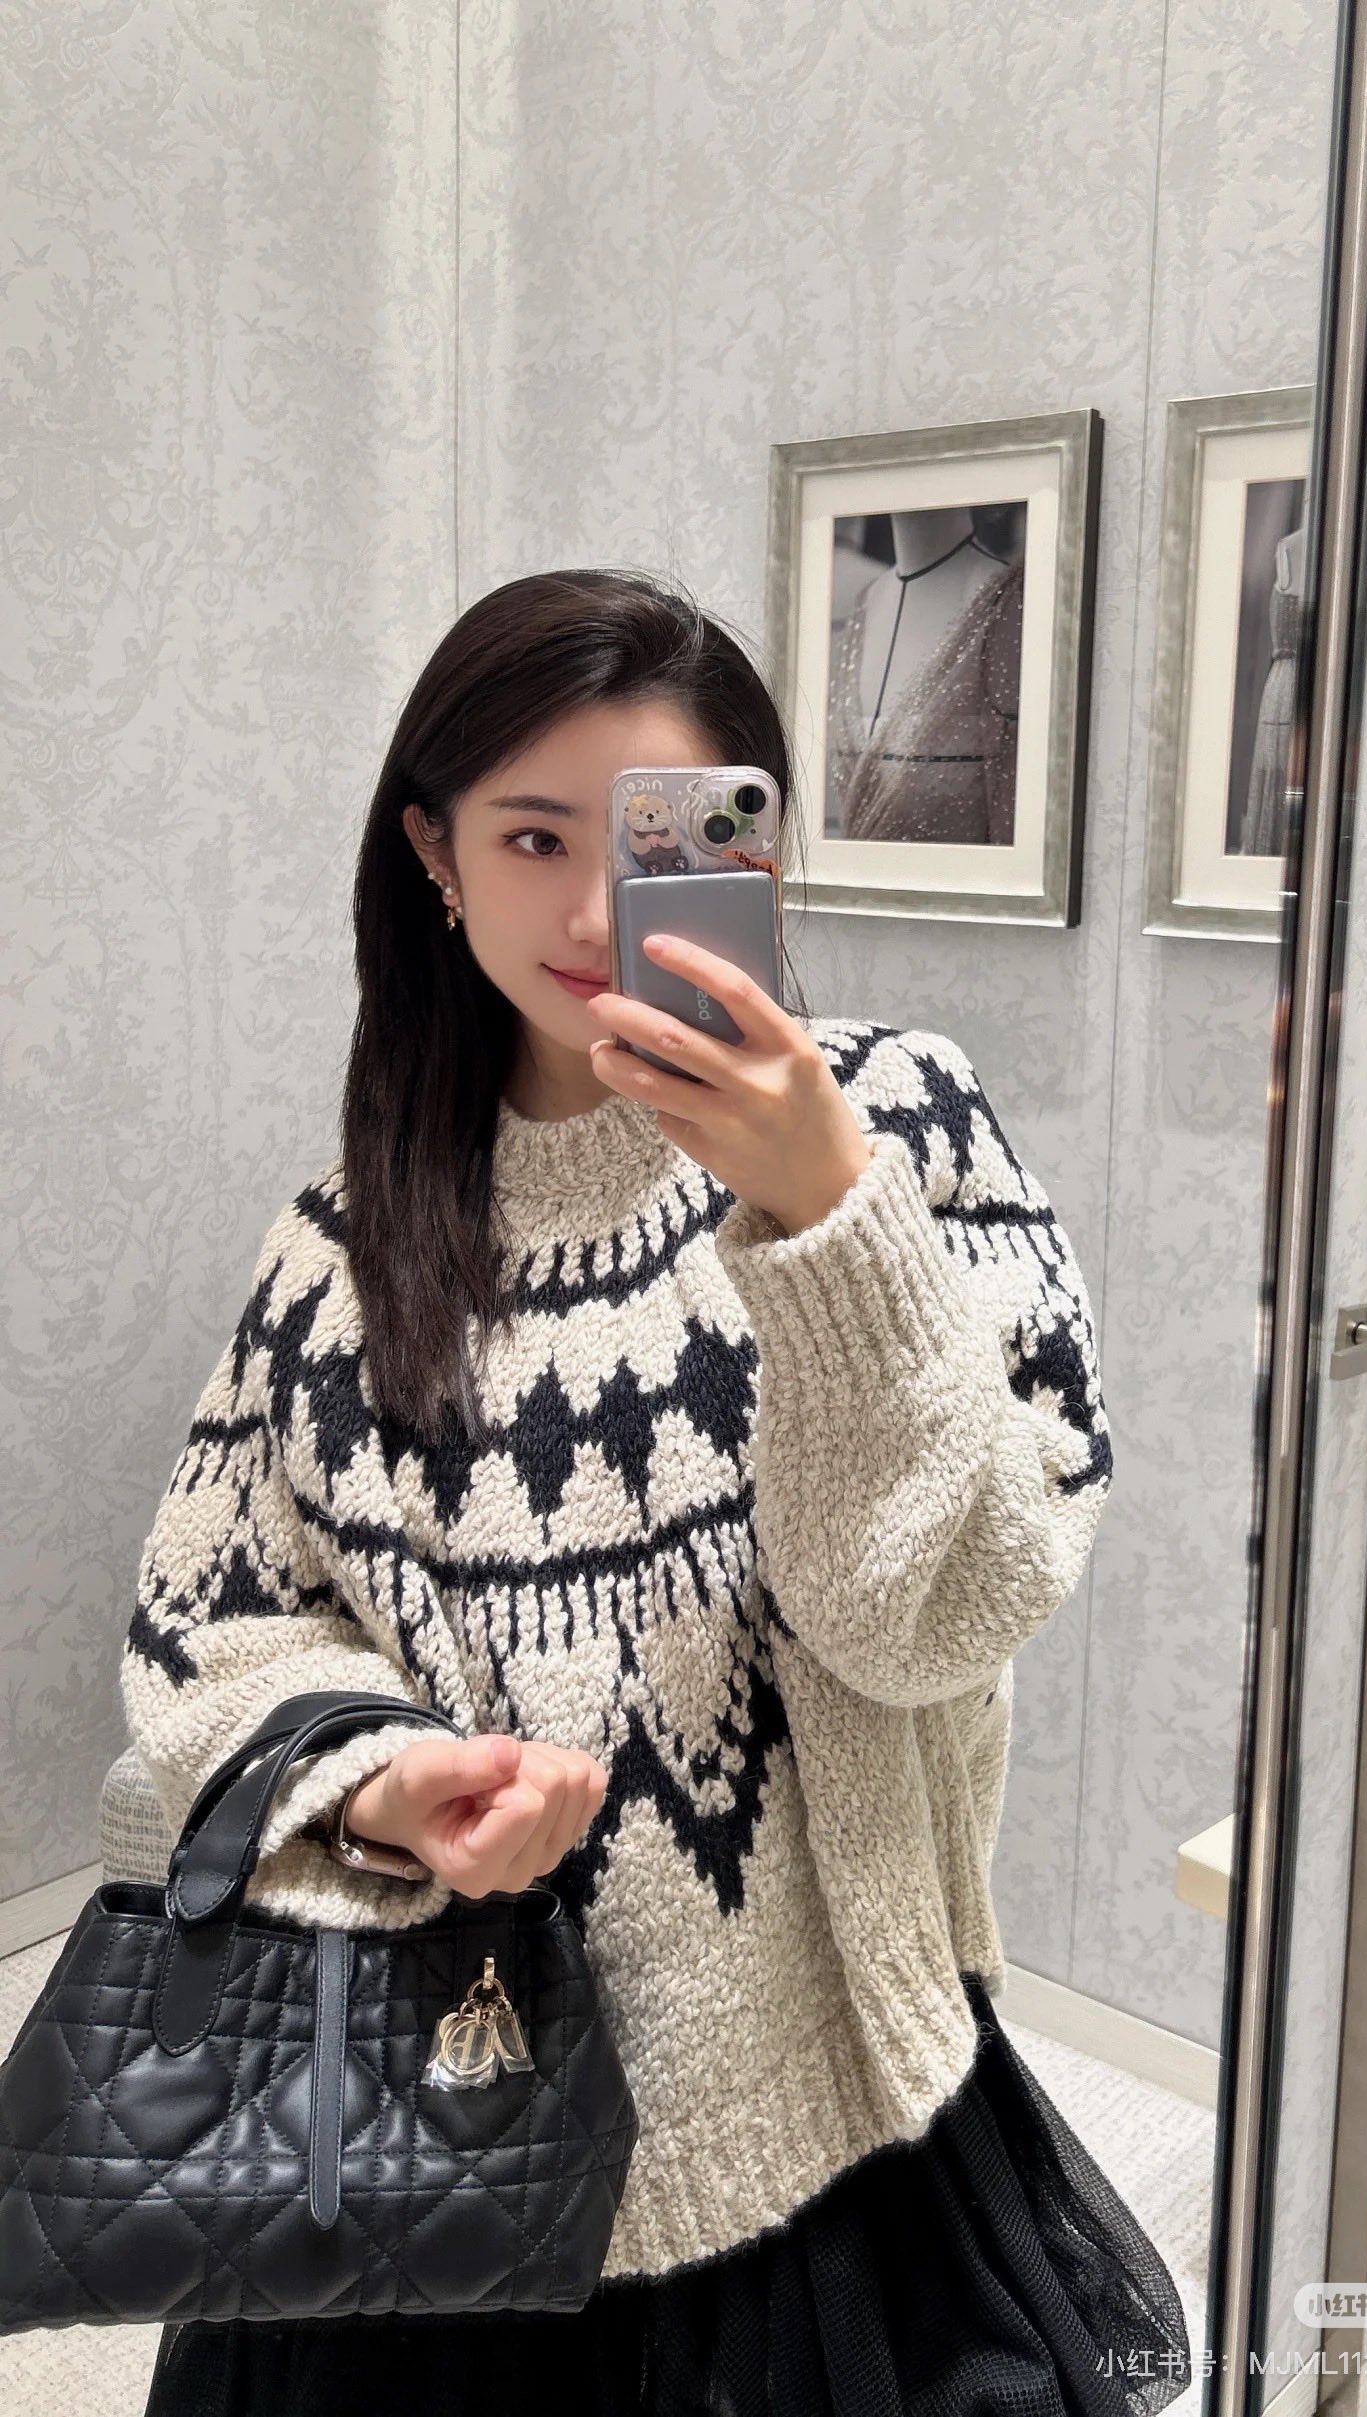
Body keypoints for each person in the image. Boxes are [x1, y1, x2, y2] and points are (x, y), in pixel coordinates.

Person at [127, 568, 1191, 2416]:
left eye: (657, 838)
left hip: (834, 2139)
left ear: (749, 850)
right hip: (428, 2137)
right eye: (533, 835)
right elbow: (205, 1631)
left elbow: (941, 1614)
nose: (592, 910)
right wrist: (379, 1779)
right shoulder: (338, 1252)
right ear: (433, 855)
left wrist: (825, 1215)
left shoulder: (903, 1126)